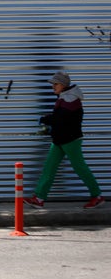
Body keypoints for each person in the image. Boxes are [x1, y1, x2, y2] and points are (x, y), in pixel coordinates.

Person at [24, 71, 104, 209]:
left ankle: (97, 196)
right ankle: (39, 198)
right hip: (60, 139)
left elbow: (60, 119)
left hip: (71, 140)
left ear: (62, 84)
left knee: (80, 168)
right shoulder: (65, 97)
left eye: (55, 84)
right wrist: (50, 126)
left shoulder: (71, 99)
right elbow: (61, 118)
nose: (53, 86)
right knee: (49, 168)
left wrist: (44, 119)